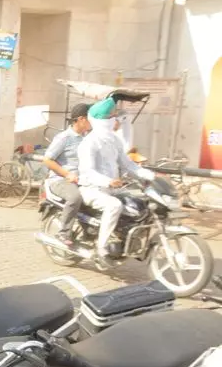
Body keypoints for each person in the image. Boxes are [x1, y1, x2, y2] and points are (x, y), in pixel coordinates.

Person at [77, 97, 155, 262]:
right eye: (109, 116)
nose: (114, 119)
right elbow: (88, 171)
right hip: (91, 189)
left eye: (114, 115)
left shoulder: (114, 140)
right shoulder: (88, 143)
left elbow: (128, 164)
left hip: (113, 189)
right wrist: (107, 181)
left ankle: (125, 238)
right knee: (114, 205)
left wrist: (149, 176)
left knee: (139, 203)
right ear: (99, 120)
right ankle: (102, 247)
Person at [42, 103, 92, 246]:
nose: (93, 122)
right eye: (90, 118)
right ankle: (63, 232)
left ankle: (90, 233)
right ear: (82, 119)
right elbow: (47, 160)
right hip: (60, 180)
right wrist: (67, 174)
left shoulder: (88, 138)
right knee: (75, 197)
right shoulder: (64, 137)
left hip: (82, 180)